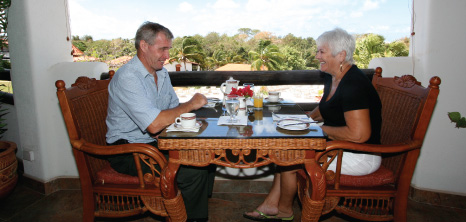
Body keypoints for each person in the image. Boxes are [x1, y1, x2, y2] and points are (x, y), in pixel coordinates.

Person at [243, 28, 382, 221]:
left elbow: (359, 135)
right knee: (285, 151)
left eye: (321, 52)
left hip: (360, 156)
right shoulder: (333, 77)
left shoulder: (354, 85)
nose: (317, 56)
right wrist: (305, 119)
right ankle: (272, 205)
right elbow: (325, 108)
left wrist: (317, 128)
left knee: (289, 159)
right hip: (345, 149)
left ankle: (284, 211)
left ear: (341, 55)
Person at [106, 21, 215, 222]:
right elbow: (155, 124)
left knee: (205, 154)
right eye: (162, 49)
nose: (167, 56)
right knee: (194, 171)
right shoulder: (128, 77)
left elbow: (172, 109)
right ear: (144, 46)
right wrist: (191, 104)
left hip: (155, 141)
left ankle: (188, 205)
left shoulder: (161, 72)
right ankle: (191, 215)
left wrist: (185, 116)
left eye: (168, 49)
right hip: (129, 151)